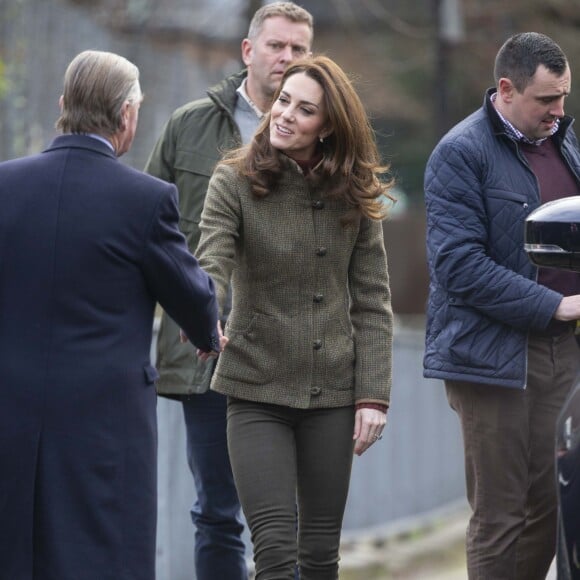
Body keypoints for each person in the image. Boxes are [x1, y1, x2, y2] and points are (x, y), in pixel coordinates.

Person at [0, 50, 221, 580]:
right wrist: (206, 332)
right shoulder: (143, 200)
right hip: (105, 422)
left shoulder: (4, 185)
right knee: (104, 553)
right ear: (126, 115)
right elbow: (194, 298)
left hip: (11, 408)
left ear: (62, 105)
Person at [194, 54, 394, 580]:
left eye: (304, 110)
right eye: (283, 100)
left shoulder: (353, 192)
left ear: (327, 126)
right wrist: (203, 314)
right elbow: (210, 262)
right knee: (276, 555)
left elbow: (372, 300)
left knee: (320, 558)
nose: (284, 115)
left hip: (332, 394)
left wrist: (373, 395)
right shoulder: (233, 180)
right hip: (256, 386)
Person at [144, 3, 313, 578]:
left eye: (298, 49)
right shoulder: (190, 125)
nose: (287, 59)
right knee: (216, 512)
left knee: (285, 515)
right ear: (248, 51)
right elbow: (145, 233)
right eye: (276, 46)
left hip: (293, 354)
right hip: (208, 350)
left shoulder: (328, 137)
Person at [424, 32, 580, 579]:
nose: (559, 112)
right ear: (507, 89)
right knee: (500, 516)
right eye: (546, 101)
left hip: (566, 350)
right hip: (495, 357)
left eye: (564, 97)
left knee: (554, 507)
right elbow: (457, 265)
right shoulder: (460, 152)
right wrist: (553, 306)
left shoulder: (565, 141)